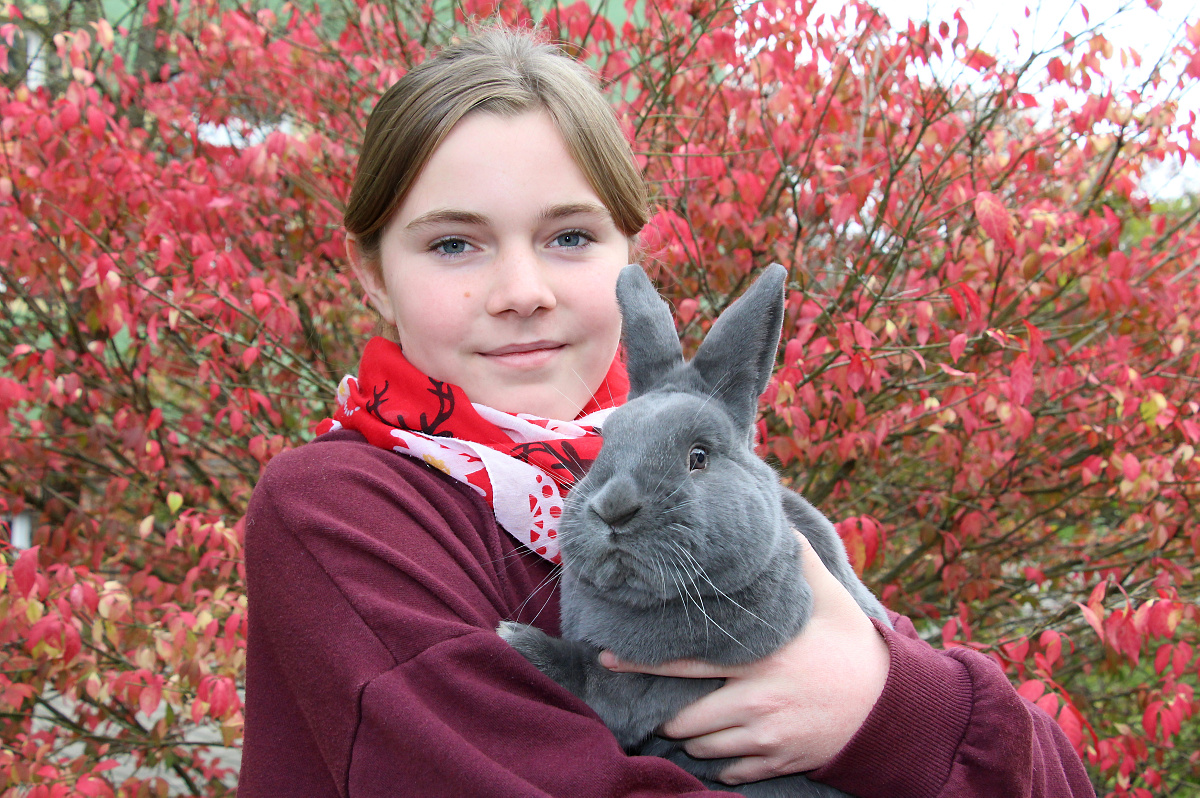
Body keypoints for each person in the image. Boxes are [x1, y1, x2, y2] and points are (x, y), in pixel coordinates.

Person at [238, 27, 1096, 798]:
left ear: (628, 254)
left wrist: (884, 703)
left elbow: (1055, 779)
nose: (522, 293)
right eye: (453, 243)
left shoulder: (729, 495)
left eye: (569, 237)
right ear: (371, 271)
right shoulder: (342, 508)